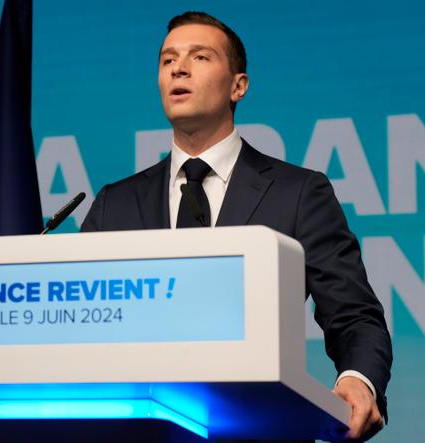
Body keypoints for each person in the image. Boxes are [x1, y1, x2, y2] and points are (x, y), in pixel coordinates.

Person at [81, 11, 392, 442]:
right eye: (167, 59)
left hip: (256, 429)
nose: (178, 68)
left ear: (238, 86)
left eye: (199, 57)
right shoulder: (114, 205)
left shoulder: (298, 193)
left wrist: (358, 379)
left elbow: (354, 314)